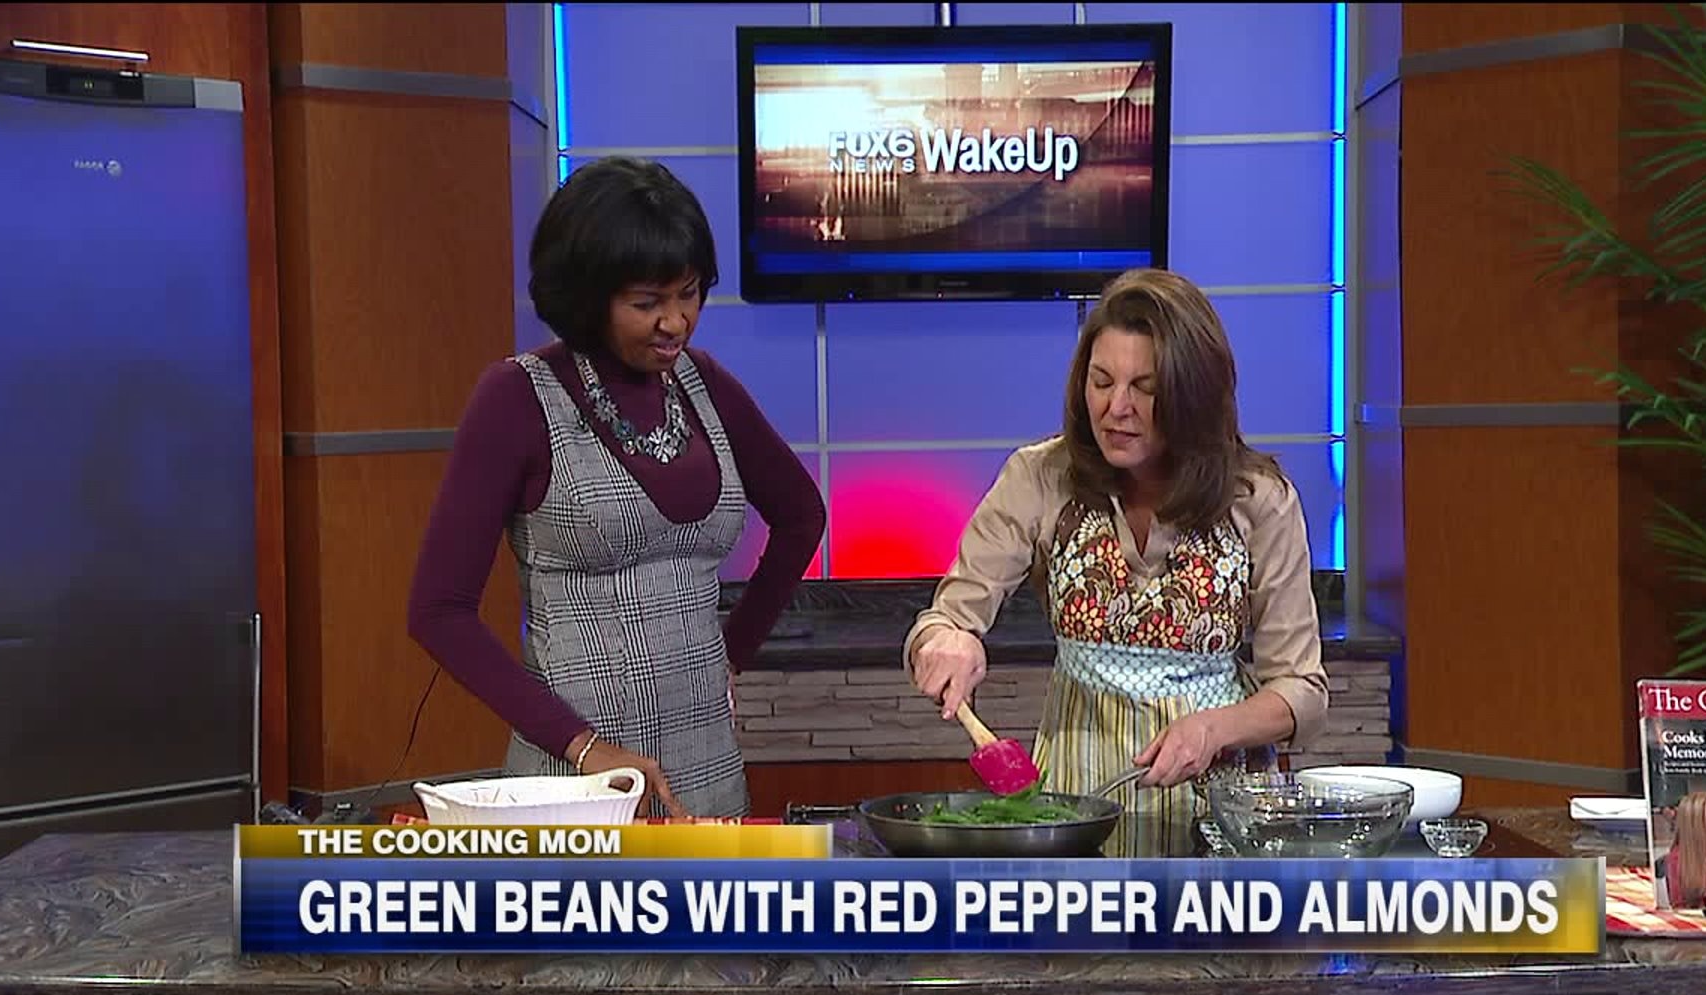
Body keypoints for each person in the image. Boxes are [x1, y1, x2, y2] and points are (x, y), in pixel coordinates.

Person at [408, 157, 826, 820]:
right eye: (646, 303)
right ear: (588, 296)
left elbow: (802, 516)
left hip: (708, 770)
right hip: (575, 782)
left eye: (688, 293)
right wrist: (584, 746)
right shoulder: (517, 398)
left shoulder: (704, 385)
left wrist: (731, 653)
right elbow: (438, 611)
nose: (675, 322)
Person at [904, 268, 1329, 857]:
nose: (1116, 408)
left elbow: (1302, 690)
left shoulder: (1258, 499)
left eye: (1144, 388)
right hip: (1077, 810)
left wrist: (1213, 728)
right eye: (1101, 382)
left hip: (1221, 818)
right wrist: (947, 640)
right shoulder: (1040, 477)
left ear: (1192, 394)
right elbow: (946, 619)